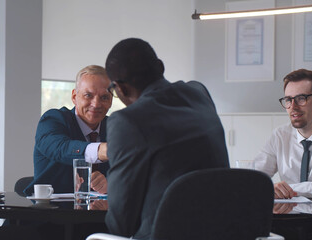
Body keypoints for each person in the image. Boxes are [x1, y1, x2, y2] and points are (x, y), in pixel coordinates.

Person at [104, 38, 229, 239]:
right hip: (224, 232)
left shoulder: (128, 121)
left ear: (121, 89)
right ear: (160, 67)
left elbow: (121, 223)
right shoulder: (199, 94)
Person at [24, 65, 112, 195]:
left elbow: (132, 174)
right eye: (88, 95)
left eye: (104, 97)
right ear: (74, 96)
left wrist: (111, 186)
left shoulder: (115, 127)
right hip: (52, 212)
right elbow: (61, 148)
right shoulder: (52, 120)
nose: (96, 104)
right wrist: (101, 150)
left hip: (103, 213)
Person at [255, 69, 312, 199]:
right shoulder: (280, 135)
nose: (293, 107)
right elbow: (255, 176)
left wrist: (284, 189)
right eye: (288, 99)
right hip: (289, 214)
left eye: (301, 98)